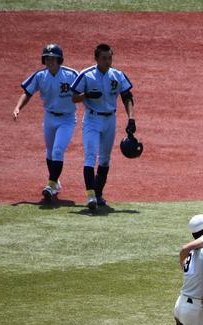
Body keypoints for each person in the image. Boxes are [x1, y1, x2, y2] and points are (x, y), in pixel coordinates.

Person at [70, 43, 135, 211]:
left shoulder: (118, 75)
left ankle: (98, 194)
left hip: (110, 120)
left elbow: (127, 96)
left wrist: (131, 118)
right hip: (92, 119)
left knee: (105, 159)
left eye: (110, 58)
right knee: (90, 156)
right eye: (104, 58)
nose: (108, 61)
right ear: (96, 59)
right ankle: (90, 195)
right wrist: (86, 95)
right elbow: (73, 97)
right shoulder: (86, 75)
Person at [13, 44, 78, 202]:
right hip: (49, 117)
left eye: (53, 58)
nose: (50, 61)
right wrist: (17, 107)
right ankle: (55, 183)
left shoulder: (71, 75)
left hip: (67, 118)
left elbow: (83, 90)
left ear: (59, 60)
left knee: (57, 151)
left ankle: (50, 185)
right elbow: (27, 93)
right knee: (49, 151)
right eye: (47, 58)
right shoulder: (40, 76)